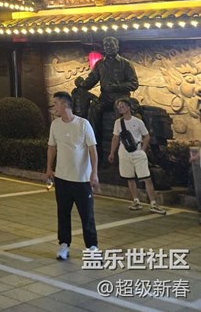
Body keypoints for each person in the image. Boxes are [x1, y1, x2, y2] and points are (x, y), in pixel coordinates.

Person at [46, 90, 99, 261]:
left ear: (64, 104)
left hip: (82, 180)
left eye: (55, 103)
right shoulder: (55, 125)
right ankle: (64, 244)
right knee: (63, 213)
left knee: (87, 215)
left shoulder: (83, 124)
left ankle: (91, 247)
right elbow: (52, 147)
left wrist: (94, 173)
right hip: (62, 178)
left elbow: (92, 150)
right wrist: (49, 169)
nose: (54, 107)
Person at [75, 36, 139, 148]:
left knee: (119, 107)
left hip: (121, 97)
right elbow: (91, 81)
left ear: (117, 47)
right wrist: (81, 84)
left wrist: (117, 87)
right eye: (106, 45)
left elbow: (134, 84)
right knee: (94, 108)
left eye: (111, 45)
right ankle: (93, 144)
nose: (108, 47)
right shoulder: (100, 64)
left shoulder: (126, 64)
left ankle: (122, 143)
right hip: (105, 98)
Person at [108, 98, 167, 214]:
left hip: (137, 151)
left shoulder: (138, 121)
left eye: (122, 106)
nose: (120, 108)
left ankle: (153, 203)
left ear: (129, 107)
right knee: (129, 178)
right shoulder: (118, 122)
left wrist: (143, 149)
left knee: (146, 177)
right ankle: (136, 201)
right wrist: (112, 152)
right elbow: (115, 138)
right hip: (124, 151)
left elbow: (147, 135)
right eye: (119, 107)